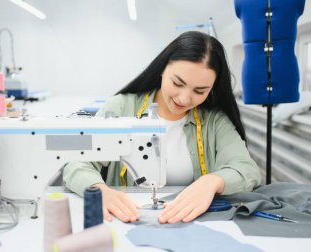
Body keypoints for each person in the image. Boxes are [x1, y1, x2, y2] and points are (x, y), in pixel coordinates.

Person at [63, 31, 261, 224]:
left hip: (189, 224)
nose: (184, 99)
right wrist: (99, 191)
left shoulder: (214, 121)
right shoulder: (121, 107)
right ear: (162, 69)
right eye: (177, 83)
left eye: (200, 91)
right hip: (125, 219)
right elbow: (77, 163)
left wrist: (212, 182)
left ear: (212, 88)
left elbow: (246, 169)